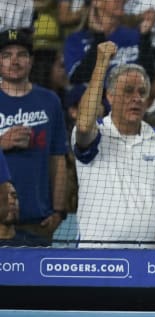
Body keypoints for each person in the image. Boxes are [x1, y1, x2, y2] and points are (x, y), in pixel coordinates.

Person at [73, 41, 155, 248]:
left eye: (142, 92)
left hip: (147, 263)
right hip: (94, 260)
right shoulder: (96, 133)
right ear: (110, 96)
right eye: (128, 91)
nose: (136, 98)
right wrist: (102, 63)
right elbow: (83, 123)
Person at [0, 28, 68, 245]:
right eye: (6, 55)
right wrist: (2, 143)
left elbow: (58, 159)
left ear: (31, 61)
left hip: (39, 221)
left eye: (21, 54)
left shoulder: (50, 101)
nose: (15, 61)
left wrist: (58, 211)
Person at [63, 0, 155, 85]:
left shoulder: (136, 35)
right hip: (94, 101)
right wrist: (99, 38)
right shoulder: (76, 39)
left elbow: (150, 77)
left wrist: (145, 38)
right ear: (96, 2)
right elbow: (77, 79)